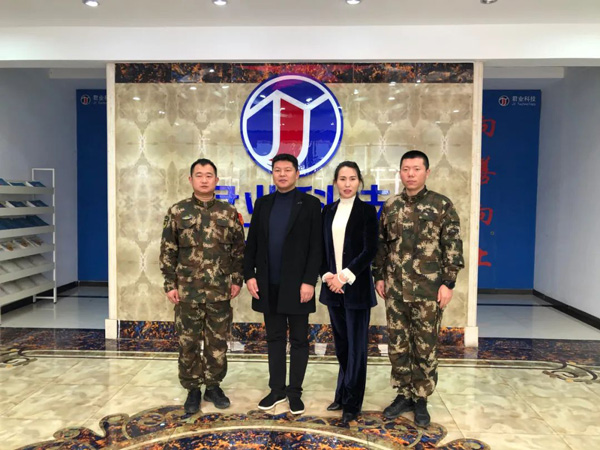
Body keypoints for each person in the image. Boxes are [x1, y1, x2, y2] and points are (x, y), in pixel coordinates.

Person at [373, 150, 464, 427]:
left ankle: (421, 398)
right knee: (398, 344)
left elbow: (452, 246)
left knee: (425, 345)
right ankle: (403, 394)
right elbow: (381, 245)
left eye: (416, 169)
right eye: (406, 169)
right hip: (395, 289)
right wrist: (379, 276)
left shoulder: (441, 205)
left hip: (428, 289)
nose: (410, 174)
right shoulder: (391, 206)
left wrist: (448, 283)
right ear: (400, 172)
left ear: (427, 172)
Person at [159, 158, 245, 414]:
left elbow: (239, 250)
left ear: (216, 180)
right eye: (199, 175)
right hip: (188, 290)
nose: (204, 179)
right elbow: (168, 250)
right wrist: (169, 283)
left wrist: (237, 280)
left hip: (220, 291)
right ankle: (193, 389)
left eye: (209, 175)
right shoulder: (177, 211)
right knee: (188, 343)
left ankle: (213, 386)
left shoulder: (229, 212)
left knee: (217, 343)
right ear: (190, 180)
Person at [243, 153, 322, 415]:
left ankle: (294, 392)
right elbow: (252, 243)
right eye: (277, 170)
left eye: (288, 170)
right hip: (268, 285)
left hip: (299, 286)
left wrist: (309, 281)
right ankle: (276, 389)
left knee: (299, 340)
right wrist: (249, 275)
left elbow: (316, 247)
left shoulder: (310, 204)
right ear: (272, 173)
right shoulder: (263, 203)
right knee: (275, 338)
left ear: (297, 174)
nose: (282, 174)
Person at [319, 161, 378, 424]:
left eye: (352, 178)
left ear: (359, 182)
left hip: (357, 290)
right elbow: (320, 248)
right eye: (342, 179)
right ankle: (342, 394)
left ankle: (353, 403)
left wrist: (345, 275)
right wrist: (328, 275)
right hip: (333, 289)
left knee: (357, 348)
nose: (347, 184)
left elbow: (370, 250)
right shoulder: (327, 211)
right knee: (342, 345)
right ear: (335, 182)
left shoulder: (367, 211)